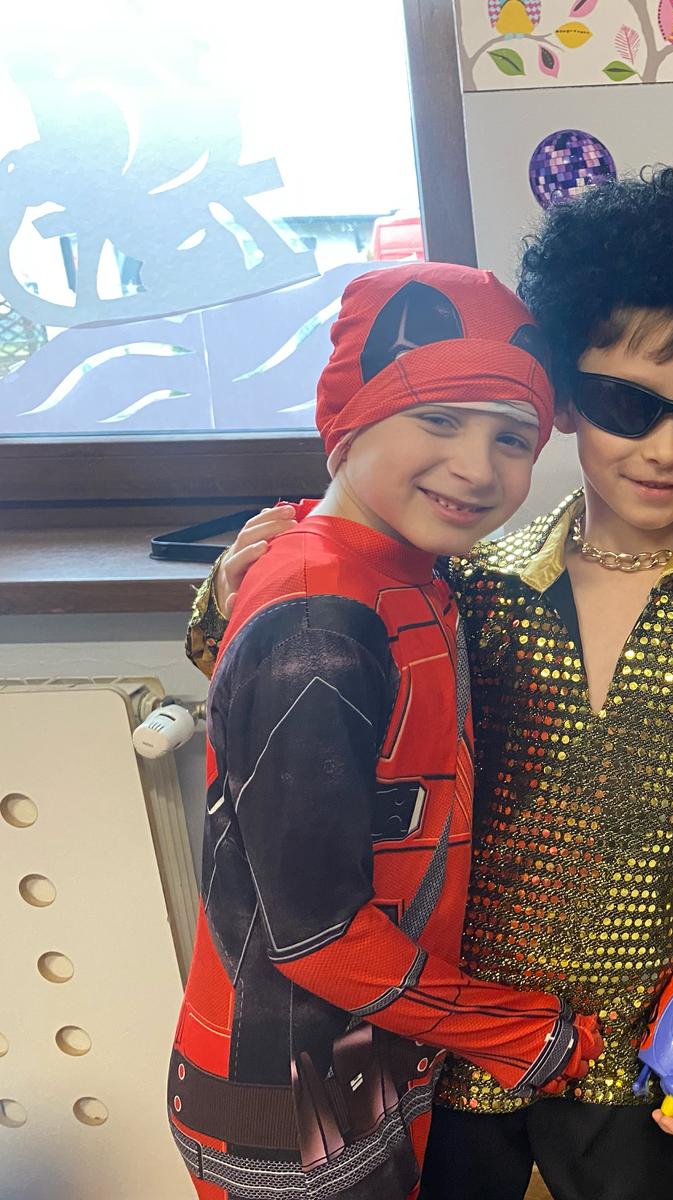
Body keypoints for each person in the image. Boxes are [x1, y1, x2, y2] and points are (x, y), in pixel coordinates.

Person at [192, 169, 673, 1200]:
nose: (664, 449)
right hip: (447, 1041)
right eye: (627, 405)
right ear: (568, 400)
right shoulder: (467, 582)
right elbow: (301, 705)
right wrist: (236, 589)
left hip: (625, 1044)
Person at [169, 261, 601, 1200]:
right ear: (350, 417)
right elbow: (317, 936)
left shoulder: (392, 568)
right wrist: (523, 1032)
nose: (477, 468)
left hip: (359, 1062)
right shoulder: (319, 623)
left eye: (512, 436)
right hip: (288, 1097)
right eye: (439, 419)